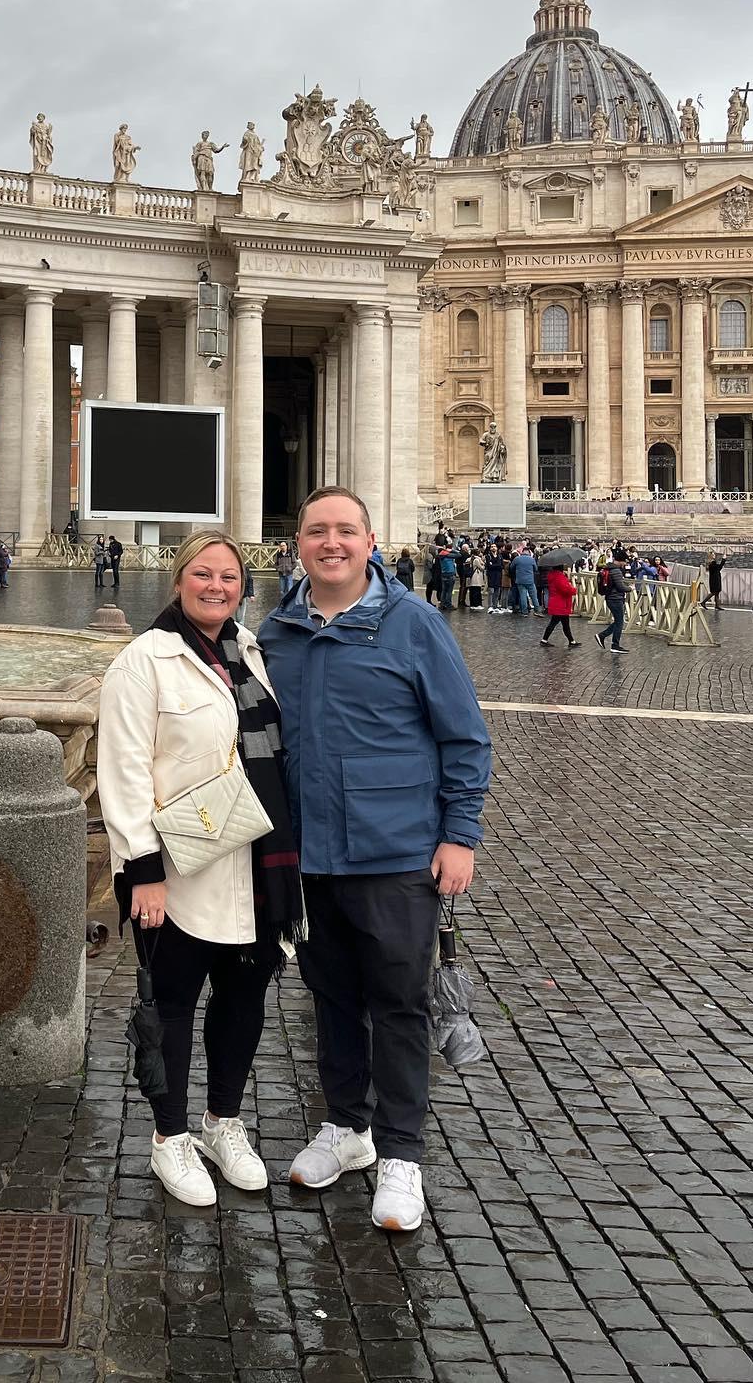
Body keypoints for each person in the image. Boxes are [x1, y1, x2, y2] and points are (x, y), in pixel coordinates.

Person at [259, 487, 491, 1233]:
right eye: (318, 531)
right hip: (313, 857)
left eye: (345, 532)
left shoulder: (415, 624)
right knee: (329, 1000)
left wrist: (460, 835)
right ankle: (347, 1127)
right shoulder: (279, 632)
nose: (332, 543)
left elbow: (465, 739)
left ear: (370, 541)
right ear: (299, 543)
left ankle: (401, 1153)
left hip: (395, 853)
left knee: (397, 1007)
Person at [97, 533, 304, 1206]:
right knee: (175, 1004)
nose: (216, 586)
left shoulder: (253, 652)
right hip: (180, 866)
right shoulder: (141, 662)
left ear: (243, 586)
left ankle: (223, 1122)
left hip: (259, 862)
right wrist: (143, 869)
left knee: (244, 999)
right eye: (203, 574)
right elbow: (123, 774)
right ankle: (170, 1137)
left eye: (229, 577)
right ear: (179, 579)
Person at [539, 564, 580, 649]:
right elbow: (565, 589)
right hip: (561, 604)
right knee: (561, 624)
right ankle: (571, 641)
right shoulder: (559, 577)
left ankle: (571, 641)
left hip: (557, 603)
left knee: (559, 623)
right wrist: (574, 589)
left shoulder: (553, 575)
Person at [595, 556, 630, 653]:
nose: (625, 564)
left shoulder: (608, 569)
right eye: (624, 561)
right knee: (619, 622)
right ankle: (614, 644)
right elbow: (620, 586)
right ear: (619, 561)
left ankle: (603, 637)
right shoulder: (616, 571)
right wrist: (630, 588)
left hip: (610, 598)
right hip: (616, 599)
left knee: (618, 621)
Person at [510, 544, 538, 616]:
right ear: (528, 552)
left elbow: (511, 567)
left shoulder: (517, 559)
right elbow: (535, 569)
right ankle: (537, 610)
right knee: (534, 596)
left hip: (520, 580)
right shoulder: (532, 559)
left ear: (522, 552)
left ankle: (524, 611)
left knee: (523, 596)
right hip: (530, 580)